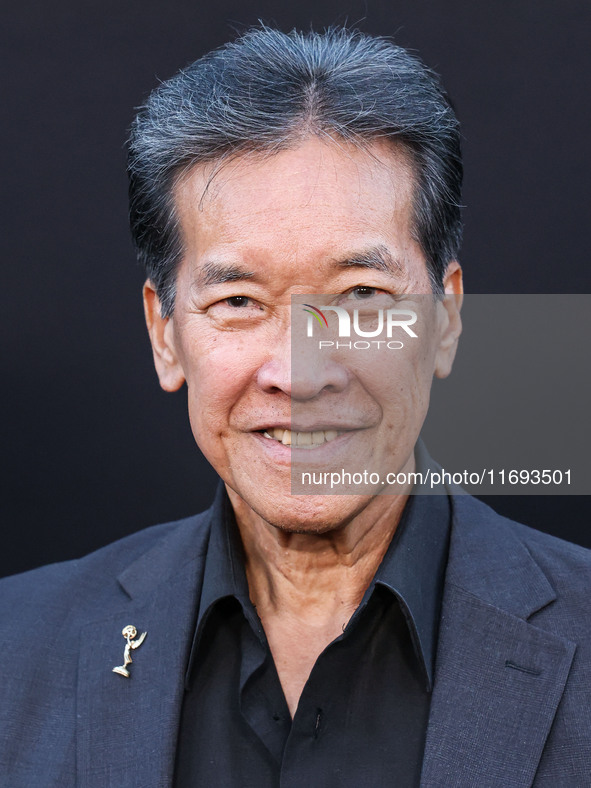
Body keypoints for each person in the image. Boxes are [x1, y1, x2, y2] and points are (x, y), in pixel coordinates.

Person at [1, 26, 589, 787]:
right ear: (164, 334)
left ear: (444, 321)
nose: (299, 372)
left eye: (360, 297)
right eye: (239, 300)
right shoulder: (17, 645)